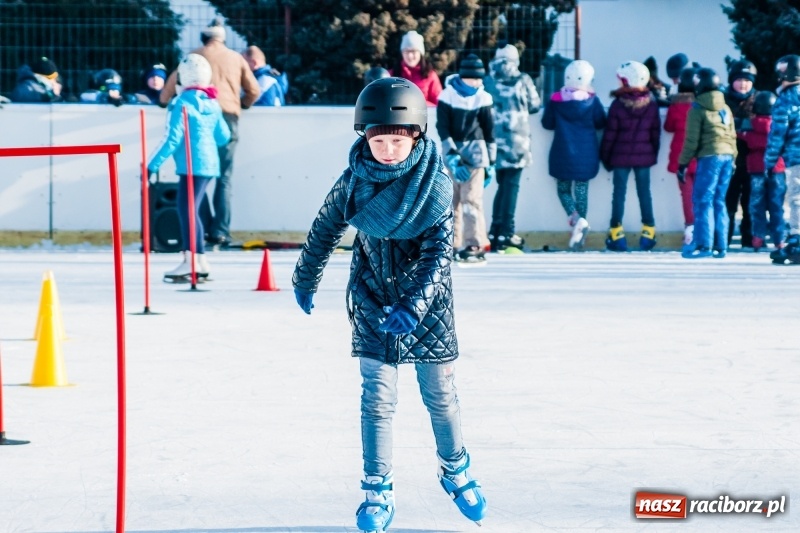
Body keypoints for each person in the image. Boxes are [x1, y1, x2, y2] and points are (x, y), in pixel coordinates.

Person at [291, 77, 487, 532]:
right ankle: (377, 490)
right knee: (376, 399)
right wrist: (306, 277)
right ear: (365, 136)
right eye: (378, 140)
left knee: (440, 396)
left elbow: (440, 253)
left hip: (428, 307)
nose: (388, 150)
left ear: (415, 135)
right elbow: (325, 229)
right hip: (373, 298)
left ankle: (454, 468)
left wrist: (414, 306)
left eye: (396, 141)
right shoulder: (355, 181)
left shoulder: (434, 184)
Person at [160, 16, 260, 248]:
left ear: (203, 37)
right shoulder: (236, 59)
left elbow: (167, 91)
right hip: (228, 118)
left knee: (196, 174)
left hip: (196, 120)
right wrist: (242, 104)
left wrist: (163, 101)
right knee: (224, 178)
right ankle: (221, 232)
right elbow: (253, 90)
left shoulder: (193, 57)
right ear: (222, 38)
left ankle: (201, 226)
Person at [147, 54, 231, 281]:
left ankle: (190, 260)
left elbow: (172, 138)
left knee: (187, 211)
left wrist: (152, 165)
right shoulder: (212, 104)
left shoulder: (181, 104)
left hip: (191, 166)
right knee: (191, 210)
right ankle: (200, 259)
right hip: (209, 165)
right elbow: (224, 136)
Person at [541, 59, 607, 250]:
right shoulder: (592, 100)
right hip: (586, 154)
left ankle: (577, 221)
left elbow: (547, 123)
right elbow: (601, 122)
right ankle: (580, 229)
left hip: (562, 152)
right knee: (581, 191)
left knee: (562, 190)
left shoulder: (555, 100)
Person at [437, 53, 495, 263]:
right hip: (453, 157)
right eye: (475, 78)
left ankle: (474, 243)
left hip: (476, 158)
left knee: (471, 201)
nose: (479, 82)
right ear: (464, 77)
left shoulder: (483, 97)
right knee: (451, 202)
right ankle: (450, 243)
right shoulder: (447, 96)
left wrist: (491, 163)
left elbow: (489, 132)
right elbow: (442, 128)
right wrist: (452, 156)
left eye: (481, 78)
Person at [483, 43, 541, 252]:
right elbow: (535, 105)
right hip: (517, 143)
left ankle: (495, 230)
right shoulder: (523, 79)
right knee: (512, 187)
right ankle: (507, 231)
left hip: (494, 143)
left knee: (501, 186)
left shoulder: (488, 81)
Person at [601, 60, 661, 251]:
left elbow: (610, 135)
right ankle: (648, 232)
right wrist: (652, 154)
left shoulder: (617, 105)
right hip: (644, 158)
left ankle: (617, 233)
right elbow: (655, 134)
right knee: (645, 193)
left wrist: (606, 157)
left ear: (626, 81)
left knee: (619, 193)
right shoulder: (651, 105)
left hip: (620, 158)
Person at [678, 67, 737, 259]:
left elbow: (691, 141)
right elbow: (732, 135)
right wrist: (733, 157)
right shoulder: (725, 107)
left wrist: (683, 163)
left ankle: (704, 245)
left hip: (710, 157)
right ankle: (721, 246)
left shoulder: (697, 109)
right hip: (728, 156)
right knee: (719, 201)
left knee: (703, 201)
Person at [740, 90, 786, 252]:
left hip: (756, 168)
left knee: (757, 205)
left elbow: (739, 135)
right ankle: (779, 239)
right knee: (776, 205)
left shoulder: (750, 125)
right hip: (777, 168)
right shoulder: (781, 125)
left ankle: (758, 237)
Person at [765, 55, 800, 264]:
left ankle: (797, 239)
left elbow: (777, 134)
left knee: (797, 198)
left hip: (797, 156)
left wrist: (769, 161)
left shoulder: (785, 99)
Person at [724, 59, 757, 249]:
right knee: (729, 202)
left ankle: (748, 239)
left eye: (747, 80)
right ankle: (725, 238)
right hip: (730, 160)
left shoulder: (759, 99)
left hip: (752, 161)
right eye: (739, 79)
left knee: (750, 204)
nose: (743, 84)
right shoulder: (725, 99)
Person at [664, 66, 699, 247]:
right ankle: (704, 229)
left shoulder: (677, 105)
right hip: (701, 156)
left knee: (686, 195)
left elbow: (668, 127)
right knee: (704, 195)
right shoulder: (704, 105)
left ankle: (690, 228)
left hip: (681, 158)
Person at [390, 30, 442, 106]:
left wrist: (418, 105)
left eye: (414, 51)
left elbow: (439, 105)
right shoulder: (391, 75)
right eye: (406, 51)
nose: (410, 56)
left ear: (420, 53)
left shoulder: (430, 76)